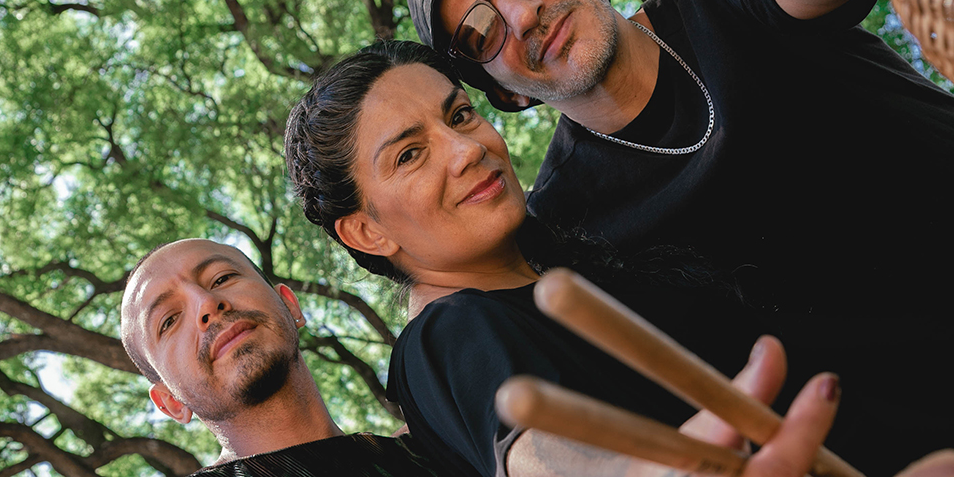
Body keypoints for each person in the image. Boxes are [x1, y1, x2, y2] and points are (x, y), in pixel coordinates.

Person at [401, 0, 954, 475]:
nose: (521, 14)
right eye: (482, 34)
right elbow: (469, 313)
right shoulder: (568, 226)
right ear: (505, 94)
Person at [283, 40, 952, 477]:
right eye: (409, 154)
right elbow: (551, 459)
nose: (467, 149)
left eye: (458, 116)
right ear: (367, 232)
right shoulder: (446, 337)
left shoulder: (584, 264)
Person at [118, 237, 445, 476]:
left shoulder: (441, 453)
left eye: (222, 278)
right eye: (169, 320)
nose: (206, 303)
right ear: (169, 402)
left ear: (290, 305)